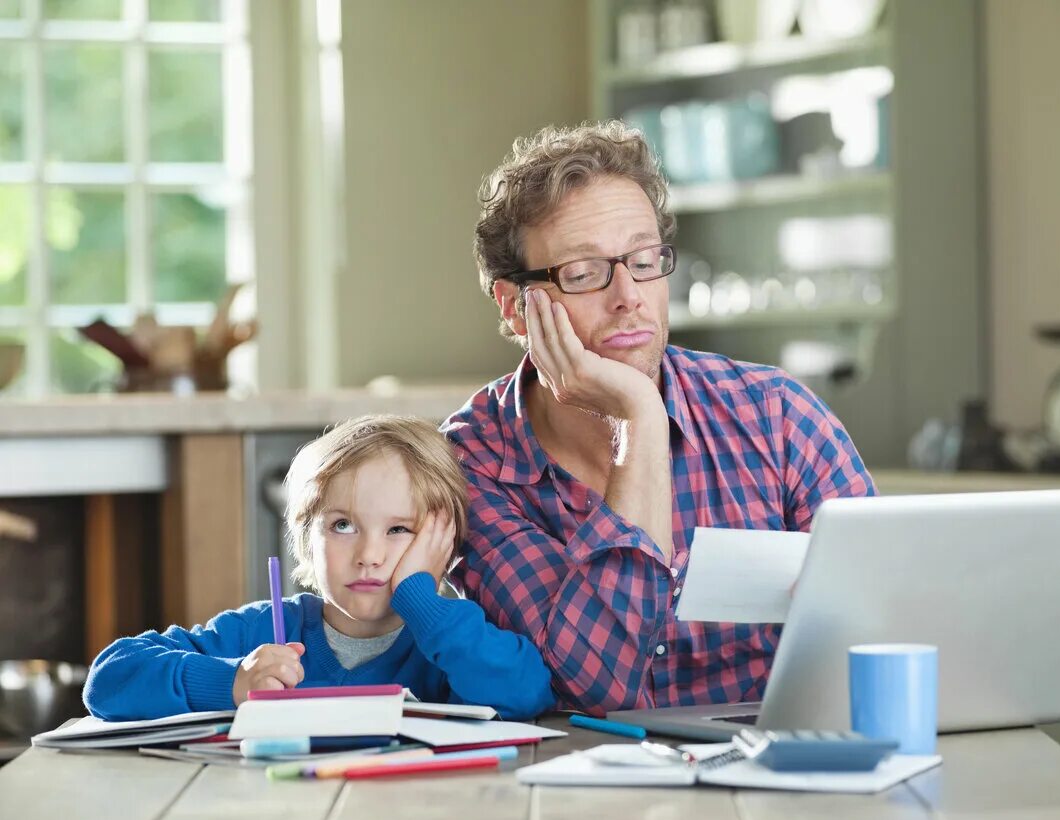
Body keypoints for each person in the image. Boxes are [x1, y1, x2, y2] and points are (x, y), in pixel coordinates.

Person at [442, 120, 876, 715]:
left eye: (645, 260)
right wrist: (641, 419)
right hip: (578, 785)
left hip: (777, 771)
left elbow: (884, 634)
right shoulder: (471, 466)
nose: (630, 296)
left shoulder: (779, 417)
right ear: (517, 308)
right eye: (585, 273)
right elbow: (599, 686)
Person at [84, 415, 555, 722]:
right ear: (305, 539)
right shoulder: (263, 631)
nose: (369, 554)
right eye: (343, 525)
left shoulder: (448, 641)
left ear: (444, 546)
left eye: (398, 531)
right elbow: (109, 678)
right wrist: (232, 682)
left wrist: (421, 600)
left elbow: (526, 693)